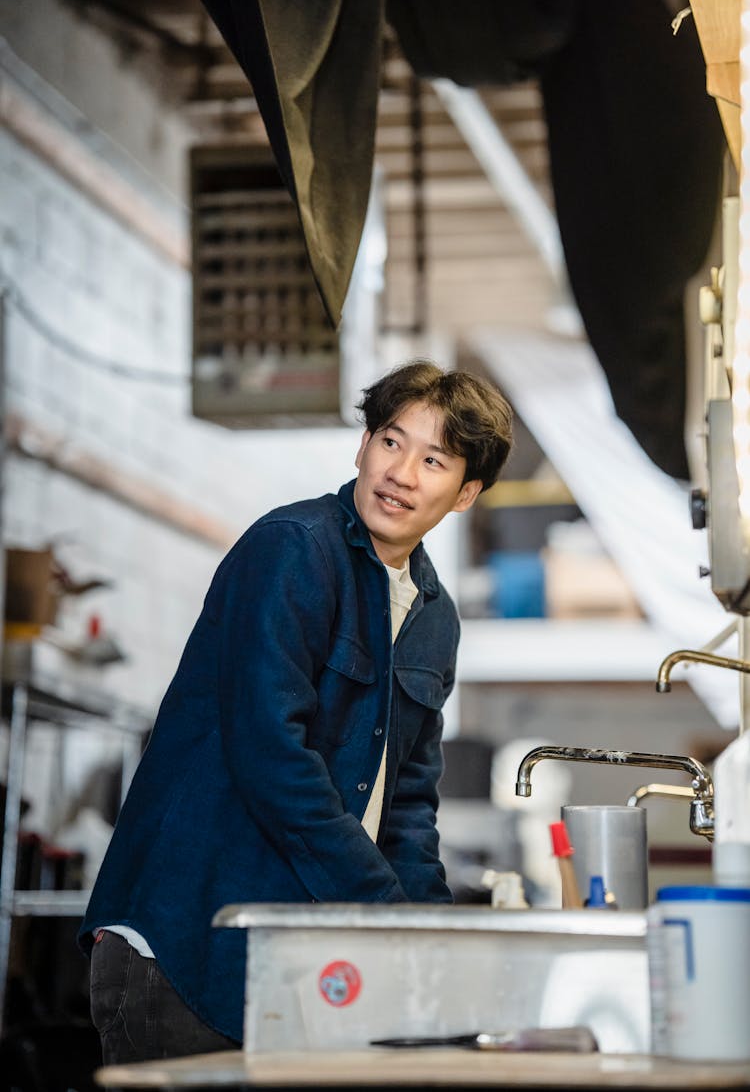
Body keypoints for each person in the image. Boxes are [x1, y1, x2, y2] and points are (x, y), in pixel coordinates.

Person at [79, 359, 513, 1063]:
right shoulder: (292, 550)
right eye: (391, 441)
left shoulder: (435, 618)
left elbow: (406, 803)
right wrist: (387, 915)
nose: (400, 472)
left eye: (433, 459)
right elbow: (272, 758)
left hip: (290, 964)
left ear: (465, 493)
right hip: (187, 946)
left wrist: (438, 947)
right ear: (363, 444)